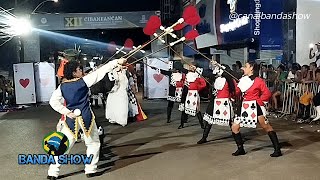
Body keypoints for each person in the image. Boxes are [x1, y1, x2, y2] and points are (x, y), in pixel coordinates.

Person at [47, 58, 125, 179]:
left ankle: (53, 172)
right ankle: (90, 169)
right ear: (73, 72)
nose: (81, 71)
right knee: (93, 143)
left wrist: (66, 112)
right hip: (86, 117)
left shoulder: (62, 86)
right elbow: (100, 72)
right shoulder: (83, 81)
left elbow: (53, 102)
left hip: (71, 119)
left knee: (63, 146)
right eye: (79, 70)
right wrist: (116, 62)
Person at [231, 61, 282, 157]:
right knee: (235, 127)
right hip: (244, 106)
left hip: (255, 106)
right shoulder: (243, 80)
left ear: (251, 68)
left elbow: (267, 93)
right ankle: (240, 149)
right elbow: (237, 92)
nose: (243, 68)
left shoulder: (259, 81)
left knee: (266, 126)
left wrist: (259, 101)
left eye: (245, 66)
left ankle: (277, 149)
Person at [198, 64, 239, 144]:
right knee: (209, 120)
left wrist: (231, 97)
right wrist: (197, 69)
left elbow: (235, 90)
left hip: (225, 102)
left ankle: (237, 138)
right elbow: (208, 74)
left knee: (230, 121)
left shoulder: (230, 80)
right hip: (215, 101)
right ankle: (204, 137)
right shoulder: (217, 79)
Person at [178, 63, 207, 129]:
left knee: (197, 110)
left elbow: (203, 84)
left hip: (194, 94)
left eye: (192, 66)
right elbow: (184, 85)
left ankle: (202, 124)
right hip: (187, 94)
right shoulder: (187, 75)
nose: (190, 67)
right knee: (184, 108)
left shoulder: (197, 76)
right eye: (190, 66)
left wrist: (196, 89)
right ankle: (181, 124)